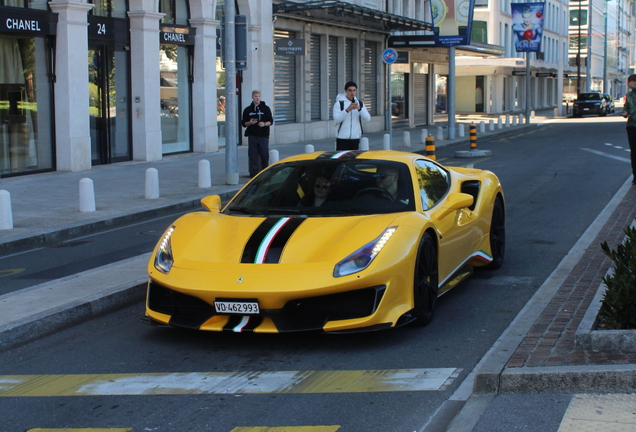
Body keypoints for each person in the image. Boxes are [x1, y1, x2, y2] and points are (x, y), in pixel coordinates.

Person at [242, 90, 273, 178]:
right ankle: (254, 174)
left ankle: (265, 173)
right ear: (252, 97)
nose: (257, 98)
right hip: (252, 135)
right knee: (253, 155)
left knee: (264, 154)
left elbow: (271, 121)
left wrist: (264, 124)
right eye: (255, 96)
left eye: (258, 96)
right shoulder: (248, 110)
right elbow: (244, 123)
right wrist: (250, 122)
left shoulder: (265, 108)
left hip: (263, 135)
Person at [333, 81, 371, 150]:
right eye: (350, 90)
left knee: (354, 160)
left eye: (354, 90)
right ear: (346, 91)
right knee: (342, 160)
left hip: (355, 138)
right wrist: (347, 110)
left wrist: (359, 109)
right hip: (342, 139)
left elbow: (367, 119)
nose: (352, 93)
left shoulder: (360, 103)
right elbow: (337, 119)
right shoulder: (339, 104)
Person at [622, 74, 636, 185]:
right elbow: (626, 107)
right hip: (631, 125)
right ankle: (635, 176)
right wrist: (625, 113)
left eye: (629, 82)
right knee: (634, 152)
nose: (628, 84)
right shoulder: (629, 95)